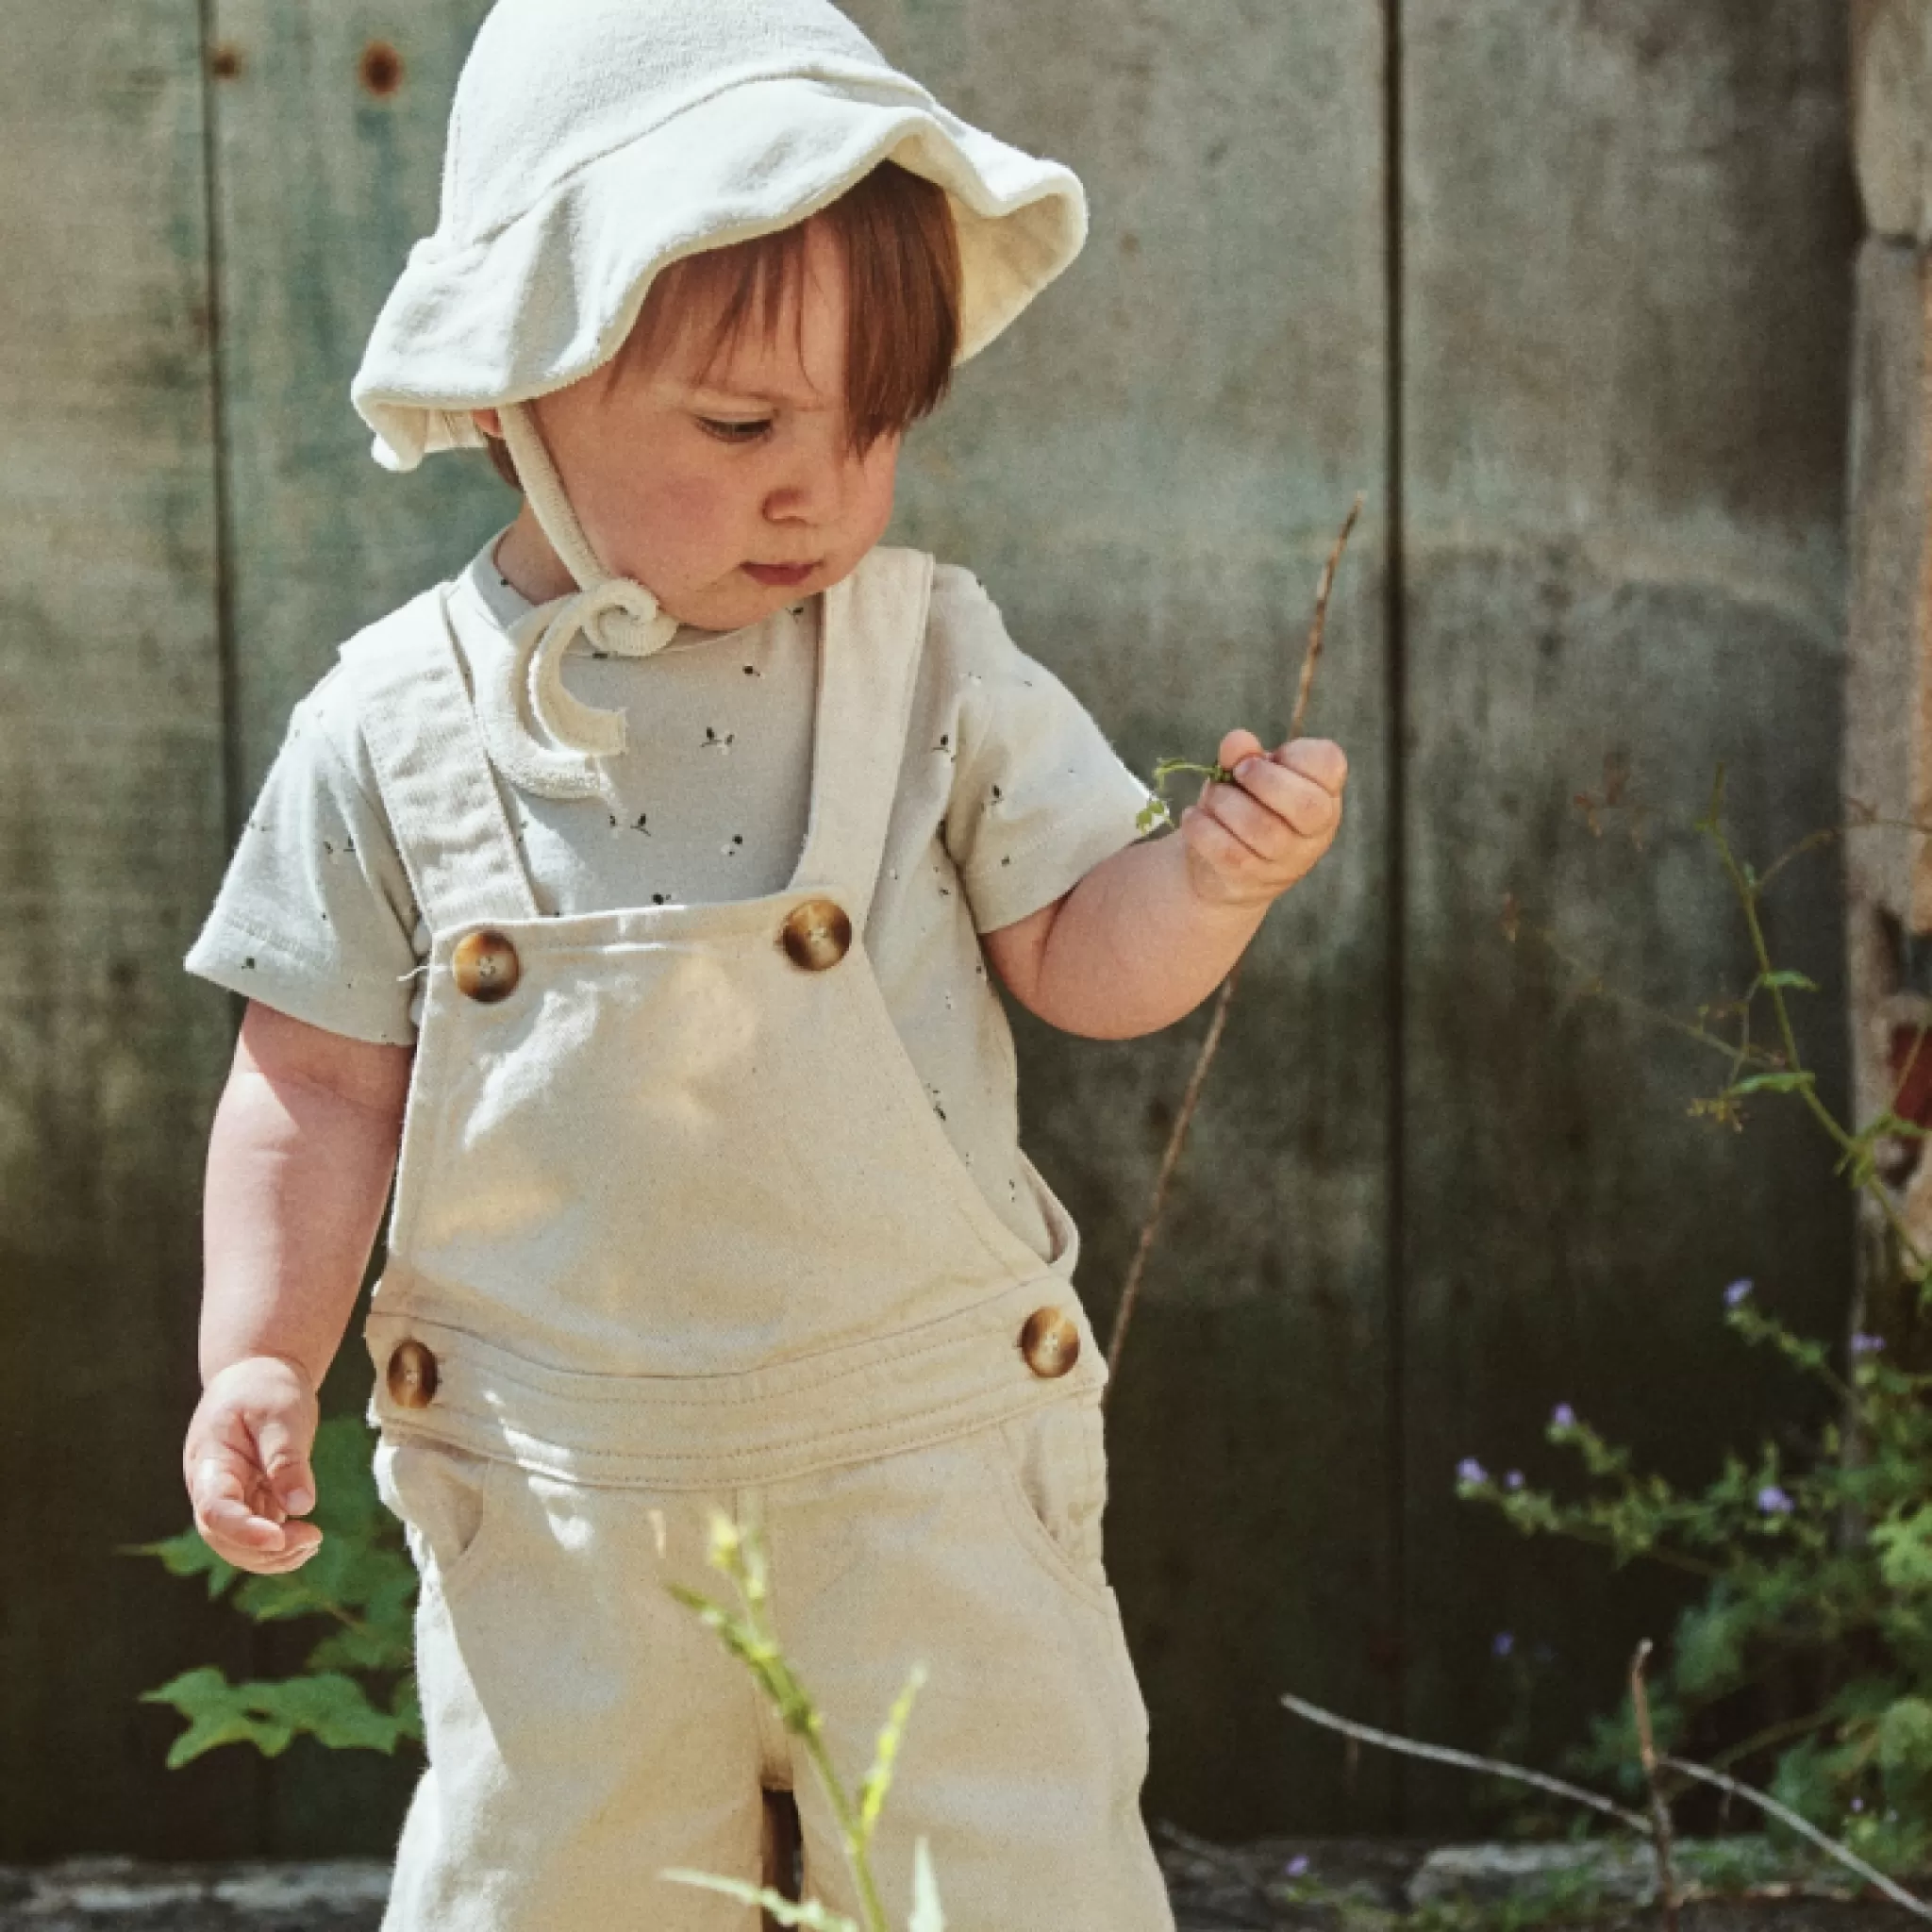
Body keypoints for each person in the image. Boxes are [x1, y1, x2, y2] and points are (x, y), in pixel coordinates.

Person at [178, 1, 1348, 1924]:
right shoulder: (390, 726)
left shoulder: (931, 661)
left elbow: (1077, 955)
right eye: (740, 426)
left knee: (1009, 1880)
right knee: (569, 1887)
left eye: (877, 423)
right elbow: (309, 1083)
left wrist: (1205, 884)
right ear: (512, 381)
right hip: (562, 1508)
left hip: (924, 1479)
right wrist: (255, 1350)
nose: (823, 486)